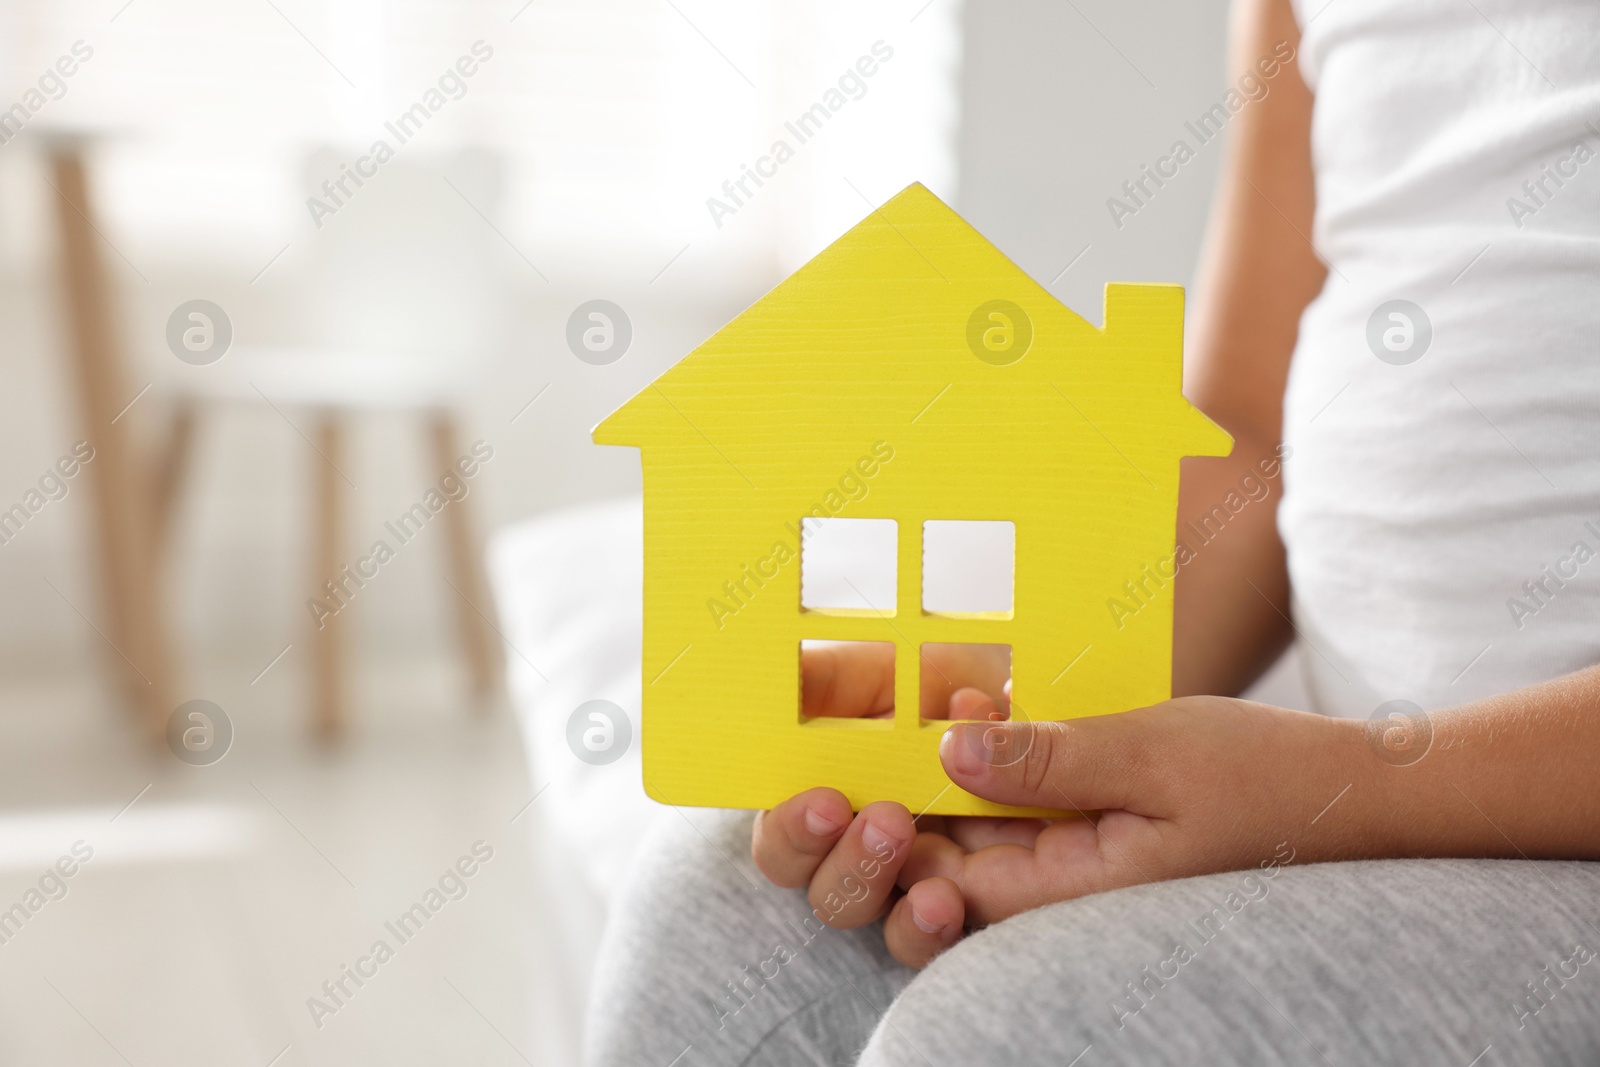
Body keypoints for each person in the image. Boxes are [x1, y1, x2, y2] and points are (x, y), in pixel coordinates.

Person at [587, 0, 1600, 1061]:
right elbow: (1248, 437)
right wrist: (1028, 699)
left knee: (1008, 1035)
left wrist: (1340, 788)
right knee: (716, 915)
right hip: (1346, 792)